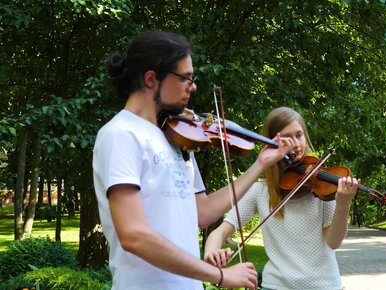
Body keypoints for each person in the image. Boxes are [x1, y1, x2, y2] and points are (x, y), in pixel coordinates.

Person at [92, 31, 295, 290]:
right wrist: (220, 276)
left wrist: (260, 165)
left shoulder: (177, 137)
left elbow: (203, 213)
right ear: (151, 78)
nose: (193, 86)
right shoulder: (121, 134)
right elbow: (134, 235)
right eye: (185, 78)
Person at [204, 107, 359, 290]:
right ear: (271, 143)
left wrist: (343, 204)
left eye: (299, 135)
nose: (296, 144)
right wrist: (211, 253)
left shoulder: (321, 186)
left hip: (324, 285)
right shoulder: (260, 190)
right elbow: (219, 232)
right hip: (276, 286)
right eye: (288, 138)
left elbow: (333, 242)